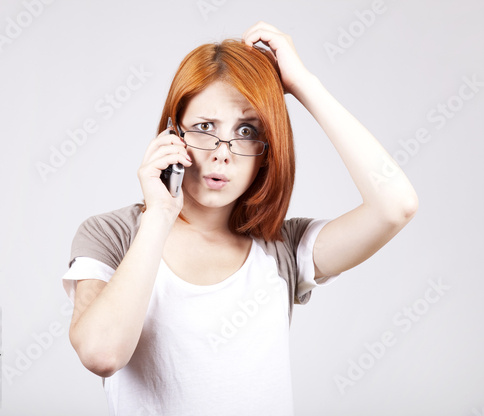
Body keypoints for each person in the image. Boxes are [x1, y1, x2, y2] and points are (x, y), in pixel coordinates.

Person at [62, 21, 418, 416]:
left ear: (267, 149)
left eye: (246, 130)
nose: (223, 153)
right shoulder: (111, 234)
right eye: (204, 127)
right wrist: (160, 215)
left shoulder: (283, 246)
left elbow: (395, 204)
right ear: (171, 133)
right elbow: (102, 353)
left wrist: (302, 84)